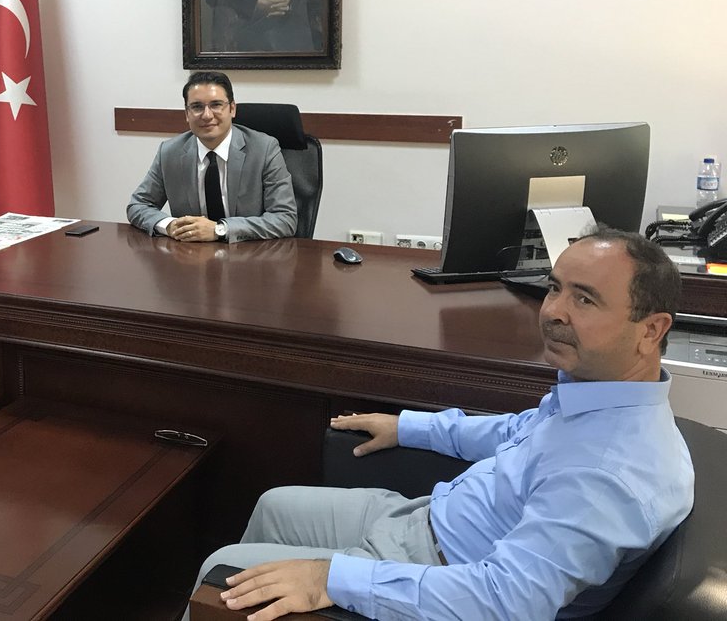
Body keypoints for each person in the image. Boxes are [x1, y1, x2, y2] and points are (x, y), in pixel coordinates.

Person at [186, 226, 694, 620]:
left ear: (651, 330)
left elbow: (504, 601)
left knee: (220, 571)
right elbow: (516, 432)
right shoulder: (600, 398)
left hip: (439, 572)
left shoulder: (605, 476)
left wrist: (330, 580)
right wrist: (409, 427)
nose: (553, 312)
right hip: (429, 517)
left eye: (584, 299)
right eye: (554, 288)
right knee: (274, 504)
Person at [127, 71, 297, 243]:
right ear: (187, 114)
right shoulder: (170, 152)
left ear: (232, 109)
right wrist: (170, 225)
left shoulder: (264, 149)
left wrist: (220, 230)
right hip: (190, 254)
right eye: (197, 107)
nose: (207, 115)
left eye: (216, 105)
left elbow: (285, 218)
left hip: (249, 254)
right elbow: (138, 205)